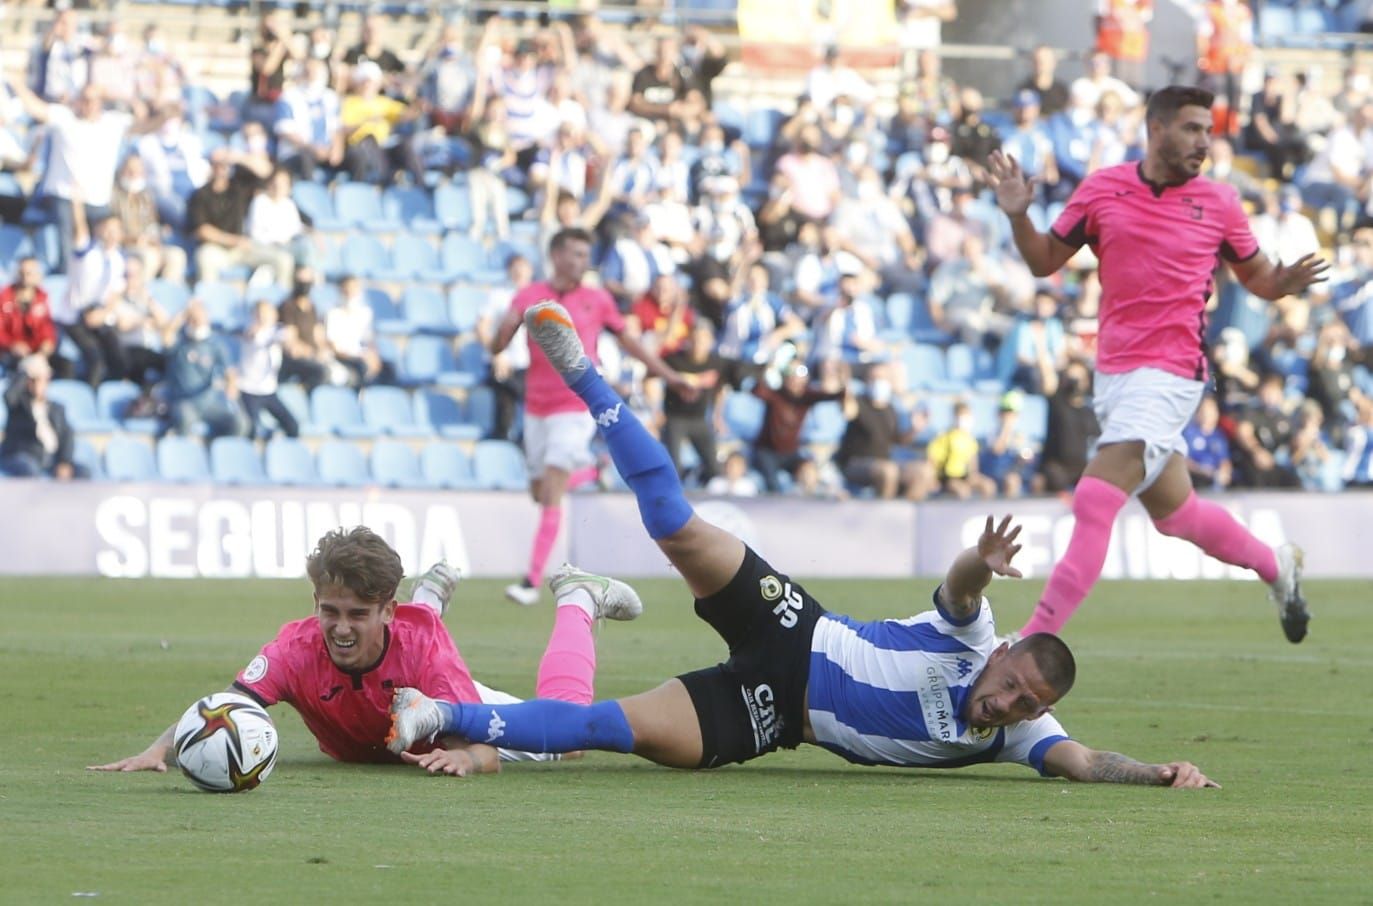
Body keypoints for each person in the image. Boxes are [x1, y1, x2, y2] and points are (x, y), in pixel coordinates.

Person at [386, 302, 1219, 789]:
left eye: (1021, 704)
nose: (1002, 704)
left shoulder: (1015, 737)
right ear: (1000, 654)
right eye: (1007, 684)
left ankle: (441, 713)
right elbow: (962, 587)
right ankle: (585, 375)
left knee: (609, 730)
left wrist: (1157, 774)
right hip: (797, 628)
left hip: (775, 716)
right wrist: (979, 557)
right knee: (674, 525)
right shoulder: (969, 639)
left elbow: (1081, 762)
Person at [987, 85, 1326, 644]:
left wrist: (1282, 284)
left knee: (1096, 495)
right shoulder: (1103, 190)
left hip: (1172, 372)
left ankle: (1031, 640)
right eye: (1192, 128)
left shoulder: (1219, 202)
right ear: (1157, 128)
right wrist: (1019, 217)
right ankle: (1276, 565)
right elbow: (1043, 260)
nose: (1203, 143)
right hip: (1115, 374)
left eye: (1209, 132)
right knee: (1177, 515)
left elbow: (1258, 277)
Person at [90, 528, 644, 777]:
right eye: (330, 611)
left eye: (357, 614)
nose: (340, 628)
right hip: (387, 712)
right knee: (400, 641)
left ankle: (577, 598)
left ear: (386, 609)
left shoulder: (424, 650)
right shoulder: (295, 648)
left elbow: (486, 755)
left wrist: (464, 758)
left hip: (448, 701)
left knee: (569, 737)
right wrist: (159, 749)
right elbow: (225, 706)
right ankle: (431, 594)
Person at [489, 228, 694, 607]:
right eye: (576, 254)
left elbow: (629, 341)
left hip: (576, 407)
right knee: (540, 492)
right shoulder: (530, 296)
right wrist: (500, 336)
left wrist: (668, 375)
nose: (582, 262)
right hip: (535, 408)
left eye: (586, 255)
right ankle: (593, 469)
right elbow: (497, 345)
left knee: (551, 485)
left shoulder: (597, 299)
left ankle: (531, 582)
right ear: (556, 256)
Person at [0, 354, 87, 480]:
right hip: (24, 457)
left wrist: (64, 461)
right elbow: (9, 397)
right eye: (32, 380)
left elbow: (67, 435)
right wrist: (25, 373)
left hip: (51, 460)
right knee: (29, 469)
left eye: (41, 379)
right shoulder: (19, 407)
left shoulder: (56, 408)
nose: (38, 384)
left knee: (83, 472)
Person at [0, 258, 57, 373]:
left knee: (65, 366)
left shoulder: (41, 298)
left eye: (29, 273)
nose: (25, 277)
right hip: (10, 352)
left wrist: (47, 344)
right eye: (22, 273)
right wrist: (12, 345)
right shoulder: (5, 298)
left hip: (36, 351)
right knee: (28, 370)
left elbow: (47, 327)